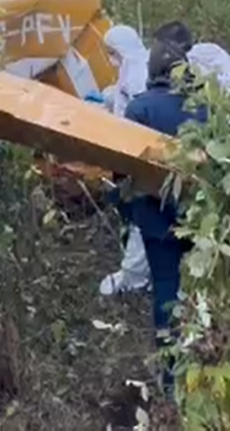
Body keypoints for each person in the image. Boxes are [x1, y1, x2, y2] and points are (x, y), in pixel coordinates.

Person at [120, 32, 206, 393]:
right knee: (201, 290)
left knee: (166, 291)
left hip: (156, 220)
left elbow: (122, 169)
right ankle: (205, 360)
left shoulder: (138, 109)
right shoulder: (203, 106)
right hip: (199, 216)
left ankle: (170, 377)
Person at [97, 26, 152, 296]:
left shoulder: (139, 74)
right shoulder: (136, 66)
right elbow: (118, 94)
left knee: (141, 217)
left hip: (140, 156)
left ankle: (134, 276)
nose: (110, 59)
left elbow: (136, 112)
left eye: (111, 54)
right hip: (130, 155)